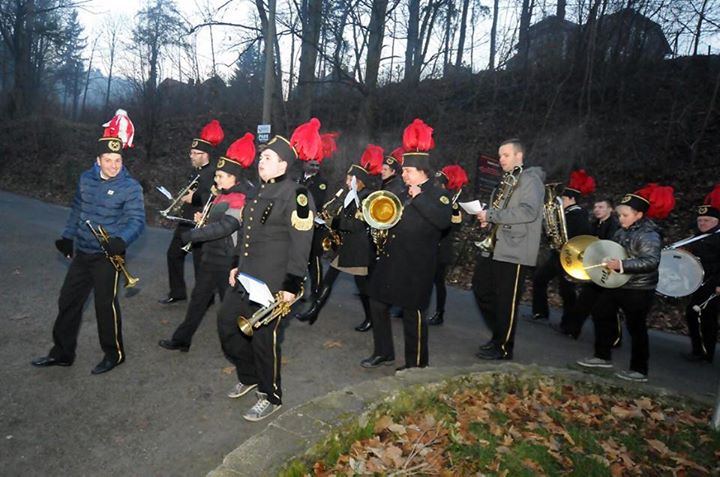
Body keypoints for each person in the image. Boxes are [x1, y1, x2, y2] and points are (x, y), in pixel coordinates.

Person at [216, 118, 317, 422]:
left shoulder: (298, 195)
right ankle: (248, 376)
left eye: (268, 158)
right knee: (226, 326)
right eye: (261, 157)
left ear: (284, 165)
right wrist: (236, 264)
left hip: (274, 283)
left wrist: (291, 284)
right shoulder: (256, 192)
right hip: (246, 277)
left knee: (264, 340)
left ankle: (269, 394)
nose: (261, 161)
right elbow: (246, 234)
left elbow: (303, 243)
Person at [32, 110, 145, 375]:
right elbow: (76, 210)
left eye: (118, 160)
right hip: (83, 252)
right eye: (108, 160)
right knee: (67, 301)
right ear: (98, 160)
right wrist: (67, 237)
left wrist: (121, 240)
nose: (114, 165)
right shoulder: (85, 179)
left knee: (104, 306)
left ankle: (114, 354)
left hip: (109, 255)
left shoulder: (130, 186)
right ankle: (62, 353)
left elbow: (137, 221)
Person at [363, 118, 452, 370]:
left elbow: (443, 222)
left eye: (408, 171)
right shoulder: (401, 193)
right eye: (403, 171)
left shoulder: (439, 195)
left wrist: (420, 198)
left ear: (422, 172)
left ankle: (416, 366)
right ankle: (384, 352)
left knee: (413, 315)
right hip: (392, 259)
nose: (403, 174)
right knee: (377, 302)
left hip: (417, 265)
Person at [158, 134, 255, 352]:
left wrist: (192, 235)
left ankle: (245, 351)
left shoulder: (239, 199)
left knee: (231, 311)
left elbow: (225, 227)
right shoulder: (222, 195)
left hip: (226, 262)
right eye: (217, 176)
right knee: (197, 302)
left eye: (220, 176)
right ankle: (182, 339)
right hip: (211, 258)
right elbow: (213, 221)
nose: (216, 180)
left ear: (234, 178)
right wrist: (202, 218)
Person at [577, 184, 674, 382]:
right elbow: (612, 251)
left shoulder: (649, 235)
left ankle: (639, 370)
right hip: (618, 283)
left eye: (625, 215)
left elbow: (650, 261)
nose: (620, 219)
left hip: (639, 288)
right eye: (620, 215)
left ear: (638, 215)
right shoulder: (621, 232)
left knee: (636, 328)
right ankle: (602, 356)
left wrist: (621, 264)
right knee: (601, 312)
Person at [295, 144, 383, 331]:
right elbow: (337, 213)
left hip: (358, 249)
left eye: (350, 177)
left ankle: (371, 318)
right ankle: (314, 310)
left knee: (363, 288)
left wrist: (333, 223)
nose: (347, 179)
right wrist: (325, 216)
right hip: (345, 247)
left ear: (359, 181)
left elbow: (357, 224)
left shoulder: (366, 198)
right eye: (348, 176)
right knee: (329, 280)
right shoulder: (348, 195)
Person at [472, 138, 545, 360]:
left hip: (516, 250)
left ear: (519, 156)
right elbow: (503, 212)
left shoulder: (530, 180)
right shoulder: (506, 180)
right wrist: (488, 219)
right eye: (500, 155)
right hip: (497, 247)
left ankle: (504, 347)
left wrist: (493, 215)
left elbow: (528, 212)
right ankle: (498, 336)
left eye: (505, 155)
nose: (501, 159)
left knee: (506, 301)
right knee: (481, 288)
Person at [159, 120, 222, 305]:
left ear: (206, 154)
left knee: (200, 263)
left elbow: (215, 197)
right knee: (173, 254)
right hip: (185, 220)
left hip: (201, 222)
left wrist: (193, 199)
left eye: (196, 153)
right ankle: (177, 292)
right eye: (191, 153)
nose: (192, 156)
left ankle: (206, 297)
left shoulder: (214, 172)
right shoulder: (195, 171)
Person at [553, 197, 621, 339]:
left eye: (601, 207)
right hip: (596, 268)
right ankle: (572, 330)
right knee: (585, 301)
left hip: (609, 271)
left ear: (611, 209)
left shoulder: (615, 226)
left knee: (605, 307)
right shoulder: (594, 224)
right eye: (596, 207)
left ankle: (614, 338)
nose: (597, 210)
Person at [531, 171, 593, 321]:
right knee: (539, 279)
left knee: (567, 290)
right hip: (557, 255)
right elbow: (555, 235)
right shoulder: (565, 214)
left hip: (569, 258)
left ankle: (569, 322)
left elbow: (575, 237)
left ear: (572, 199)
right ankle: (540, 312)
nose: (561, 201)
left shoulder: (578, 216)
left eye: (564, 199)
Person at [429, 165, 468, 325]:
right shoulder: (436, 198)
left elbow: (455, 226)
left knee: (438, 283)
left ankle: (440, 313)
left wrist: (451, 211)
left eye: (439, 182)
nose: (436, 184)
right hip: (431, 246)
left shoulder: (452, 204)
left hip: (442, 249)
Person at [682, 200, 720, 363]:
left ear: (716, 222)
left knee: (703, 317)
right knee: (695, 315)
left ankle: (705, 353)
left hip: (714, 284)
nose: (702, 223)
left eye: (707, 220)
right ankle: (699, 350)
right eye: (700, 220)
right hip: (698, 282)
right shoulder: (697, 237)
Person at [296, 133, 332, 302]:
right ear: (304, 164)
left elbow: (316, 201)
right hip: (298, 224)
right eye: (311, 163)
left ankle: (317, 291)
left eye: (317, 164)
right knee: (299, 259)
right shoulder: (298, 179)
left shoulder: (321, 182)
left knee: (313, 260)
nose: (314, 167)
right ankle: (297, 290)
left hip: (314, 225)